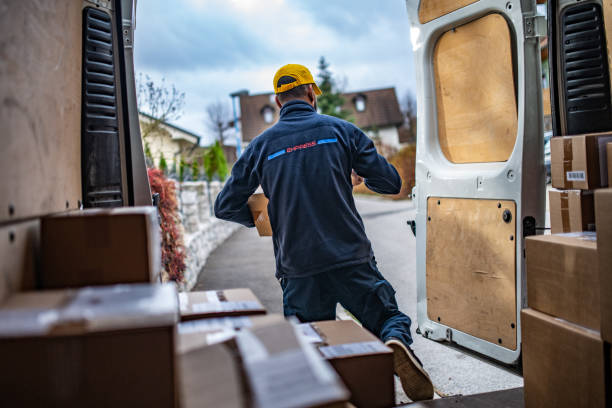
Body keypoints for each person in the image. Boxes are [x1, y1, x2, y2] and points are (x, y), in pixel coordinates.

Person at [214, 63, 434, 401]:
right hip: (350, 257)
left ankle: (327, 392)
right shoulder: (342, 131)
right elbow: (391, 182)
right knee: (387, 316)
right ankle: (394, 343)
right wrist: (357, 175)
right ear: (311, 94)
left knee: (309, 343)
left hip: (298, 267)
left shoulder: (260, 146)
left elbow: (225, 205)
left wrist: (264, 217)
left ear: (277, 101)